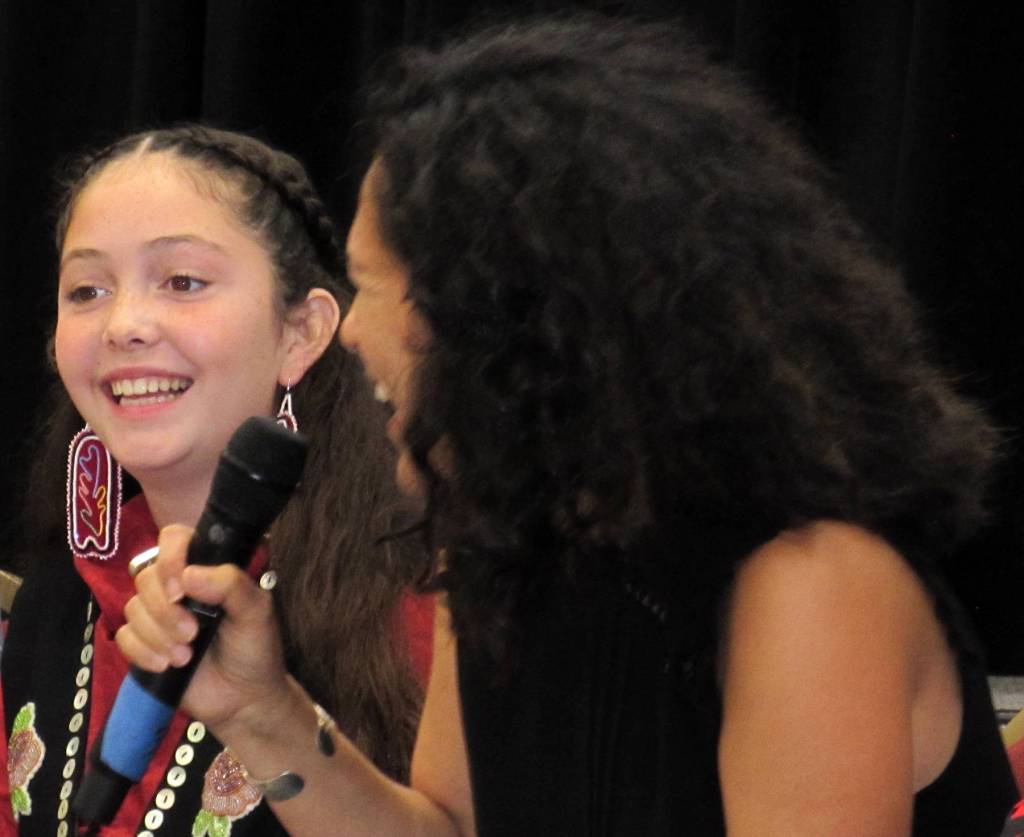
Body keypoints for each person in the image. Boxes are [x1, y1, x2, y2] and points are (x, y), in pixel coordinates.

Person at [115, 15, 1020, 836]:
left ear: (509, 317)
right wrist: (258, 709)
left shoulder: (810, 587)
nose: (352, 330)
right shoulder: (509, 550)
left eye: (378, 287)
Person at [0, 124, 433, 836]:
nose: (124, 324)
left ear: (302, 333)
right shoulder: (56, 600)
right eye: (86, 290)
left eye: (183, 281)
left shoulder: (412, 611)